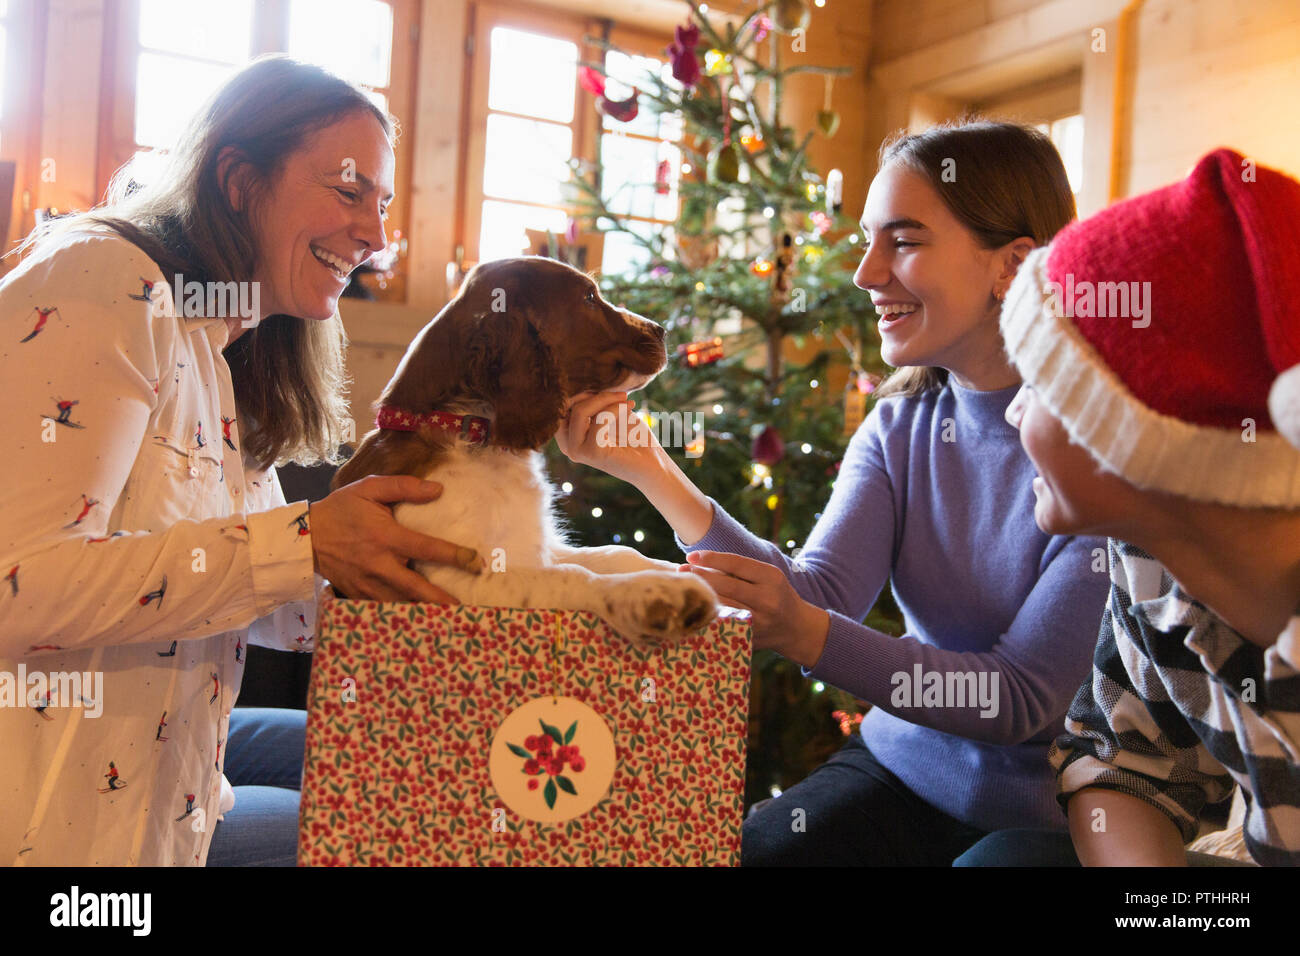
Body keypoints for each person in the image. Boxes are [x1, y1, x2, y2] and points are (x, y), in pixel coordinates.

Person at [557, 121, 1112, 865]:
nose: (865, 272)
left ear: (1013, 265)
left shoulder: (1102, 455)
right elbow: (818, 592)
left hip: (1052, 821)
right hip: (900, 770)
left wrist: (806, 631)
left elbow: (1016, 701)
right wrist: (650, 467)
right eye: (868, 239)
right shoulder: (899, 426)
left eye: (904, 242)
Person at [0, 55, 476, 867]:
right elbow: (18, 585)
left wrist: (442, 581)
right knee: (407, 834)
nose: (377, 235)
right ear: (239, 180)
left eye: (384, 205)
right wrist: (307, 544)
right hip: (62, 836)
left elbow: (242, 580)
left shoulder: (225, 346)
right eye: (349, 191)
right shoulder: (101, 282)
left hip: (179, 779)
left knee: (428, 776)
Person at [955, 148, 1300, 867]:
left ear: (1145, 431)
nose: (1015, 411)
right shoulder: (1151, 562)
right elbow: (1122, 762)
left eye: (1045, 380)